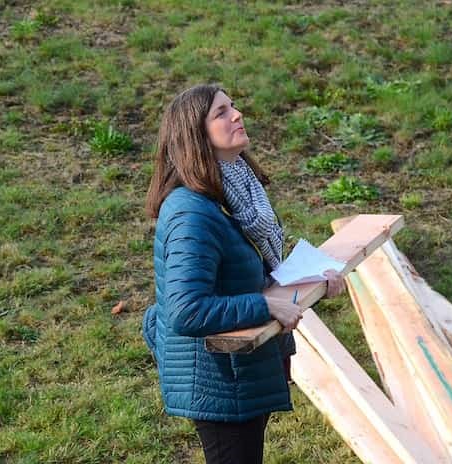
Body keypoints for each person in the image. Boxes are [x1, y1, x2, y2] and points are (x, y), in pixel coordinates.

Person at [141, 84, 344, 464]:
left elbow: (254, 268)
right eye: (221, 113)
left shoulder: (233, 190)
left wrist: (314, 279)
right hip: (218, 378)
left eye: (233, 106)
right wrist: (263, 305)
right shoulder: (192, 214)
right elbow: (186, 311)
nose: (237, 115)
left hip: (241, 371)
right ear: (196, 135)